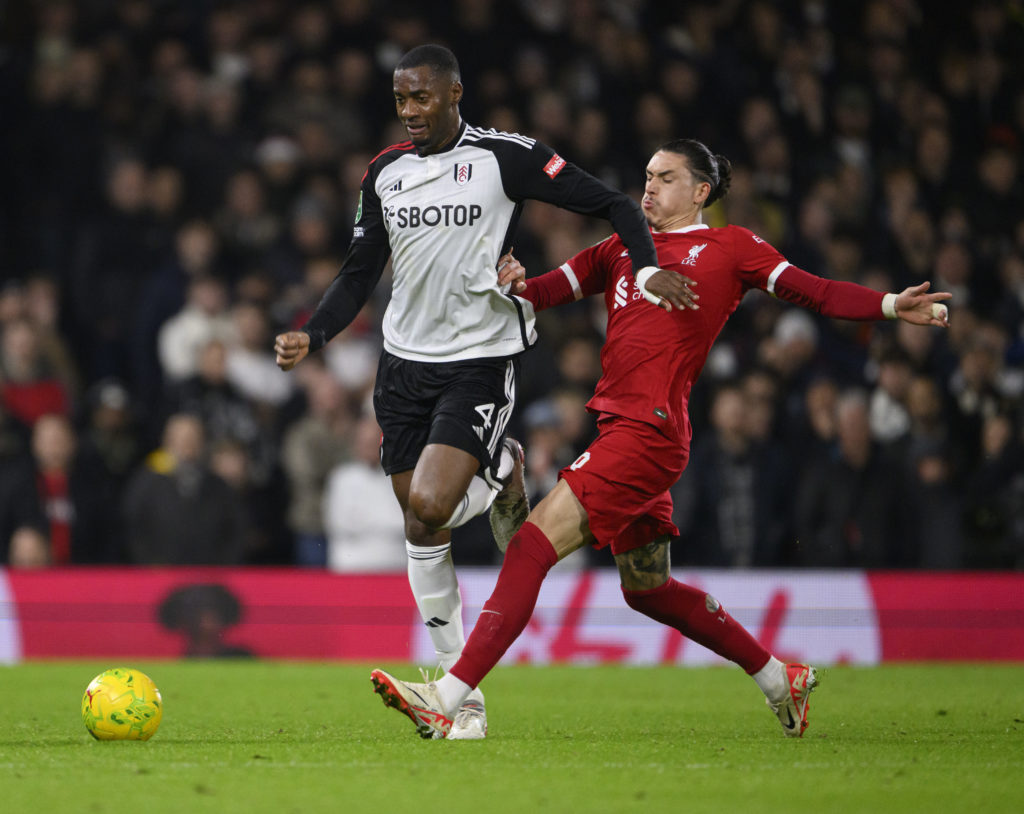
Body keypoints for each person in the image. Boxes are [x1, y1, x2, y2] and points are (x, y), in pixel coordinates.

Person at [369, 138, 952, 739]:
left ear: (700, 191)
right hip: (627, 430)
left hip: (647, 436)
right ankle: (781, 679)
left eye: (666, 178)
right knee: (648, 590)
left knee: (529, 548)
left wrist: (886, 304)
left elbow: (816, 291)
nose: (648, 188)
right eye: (646, 176)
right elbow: (545, 293)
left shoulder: (730, 248)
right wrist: (515, 281)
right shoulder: (621, 247)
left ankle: (449, 694)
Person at [274, 45, 683, 739]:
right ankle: (462, 695)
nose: (409, 112)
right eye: (401, 99)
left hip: (479, 360)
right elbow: (357, 273)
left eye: (421, 98)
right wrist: (314, 337)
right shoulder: (385, 173)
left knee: (434, 503)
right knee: (420, 523)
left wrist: (643, 273)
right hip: (402, 365)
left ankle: (497, 477)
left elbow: (614, 203)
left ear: (454, 93)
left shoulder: (505, 157)